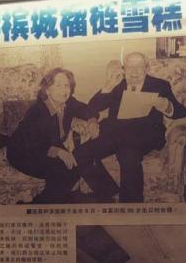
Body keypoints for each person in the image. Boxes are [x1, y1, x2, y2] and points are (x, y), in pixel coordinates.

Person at [77, 53, 186, 202]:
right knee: (80, 153)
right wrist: (107, 88)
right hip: (113, 134)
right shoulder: (118, 84)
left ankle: (131, 208)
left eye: (139, 67)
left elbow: (181, 112)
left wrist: (166, 106)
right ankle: (109, 193)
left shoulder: (160, 85)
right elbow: (92, 107)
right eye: (130, 67)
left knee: (128, 153)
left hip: (146, 135)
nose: (134, 71)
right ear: (124, 69)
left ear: (146, 68)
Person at [7, 68, 118, 204]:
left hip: (48, 148)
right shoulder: (37, 111)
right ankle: (37, 206)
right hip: (24, 153)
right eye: (58, 85)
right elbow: (32, 143)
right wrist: (59, 151)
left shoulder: (68, 102)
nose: (64, 90)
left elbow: (86, 109)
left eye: (67, 85)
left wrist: (92, 120)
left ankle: (108, 197)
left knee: (79, 159)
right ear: (47, 90)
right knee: (66, 169)